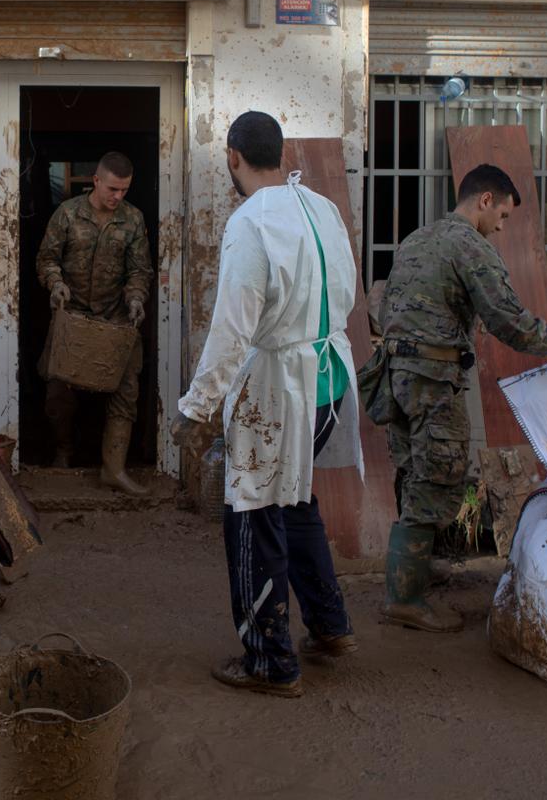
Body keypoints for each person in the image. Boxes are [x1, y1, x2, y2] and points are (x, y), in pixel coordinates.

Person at [170, 111, 363, 698]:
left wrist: (196, 406)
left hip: (279, 389)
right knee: (297, 500)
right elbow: (349, 290)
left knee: (252, 516)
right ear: (277, 153)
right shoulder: (321, 207)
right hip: (328, 382)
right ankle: (330, 628)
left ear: (233, 157)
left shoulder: (251, 221)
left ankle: (270, 661)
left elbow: (233, 328)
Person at [371, 163, 547, 634]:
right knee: (439, 475)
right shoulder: (469, 246)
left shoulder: (417, 239)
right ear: (485, 200)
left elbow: (384, 304)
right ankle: (406, 600)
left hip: (396, 375)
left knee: (415, 470)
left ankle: (413, 571)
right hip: (433, 378)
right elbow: (509, 321)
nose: (502, 227)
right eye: (503, 216)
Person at [35, 150, 153, 496]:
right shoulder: (67, 214)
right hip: (73, 315)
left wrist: (135, 298)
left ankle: (113, 469)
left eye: (124, 190)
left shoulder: (133, 220)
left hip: (116, 317)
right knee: (58, 390)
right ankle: (62, 453)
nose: (118, 197)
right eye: (112, 189)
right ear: (96, 181)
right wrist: (56, 284)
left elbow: (140, 271)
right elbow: (47, 258)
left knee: (126, 389)